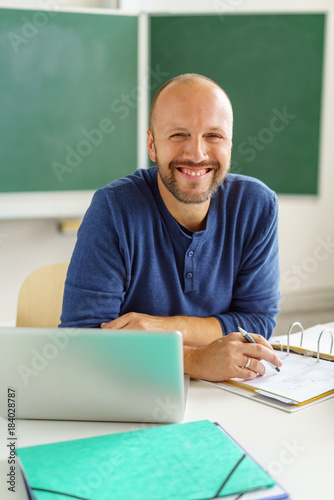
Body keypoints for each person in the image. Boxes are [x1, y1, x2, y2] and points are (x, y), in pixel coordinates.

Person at [60, 73, 282, 381]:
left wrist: (163, 328)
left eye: (214, 136)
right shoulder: (112, 209)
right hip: (131, 389)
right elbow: (83, 341)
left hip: (225, 397)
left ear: (230, 143)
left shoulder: (257, 206)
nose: (197, 154)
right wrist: (193, 358)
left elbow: (257, 322)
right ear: (152, 145)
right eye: (178, 135)